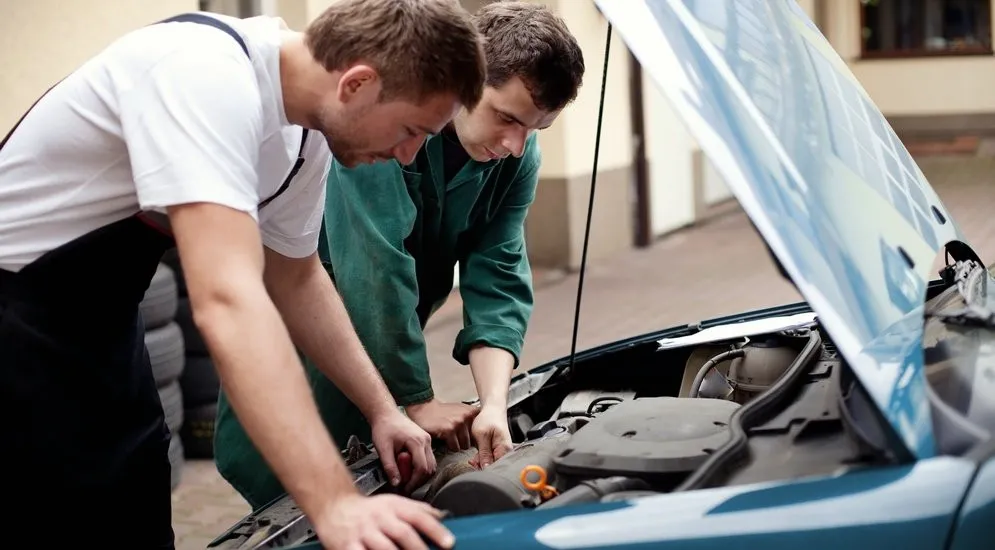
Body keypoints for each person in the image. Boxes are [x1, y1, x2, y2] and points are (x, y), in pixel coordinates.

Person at [0, 1, 486, 549]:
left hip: (102, 320)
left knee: (133, 494)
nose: (407, 155)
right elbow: (228, 300)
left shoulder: (305, 135)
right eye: (410, 129)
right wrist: (333, 503)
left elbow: (295, 278)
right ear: (358, 83)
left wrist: (382, 411)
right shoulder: (201, 73)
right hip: (16, 317)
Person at [214, 1, 586, 510]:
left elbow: (498, 273)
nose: (516, 145)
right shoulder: (387, 126)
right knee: (291, 494)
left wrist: (494, 405)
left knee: (375, 475)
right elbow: (375, 266)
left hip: (386, 346)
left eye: (534, 130)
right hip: (305, 335)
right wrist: (417, 399)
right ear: (469, 80)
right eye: (506, 118)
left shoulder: (514, 158)